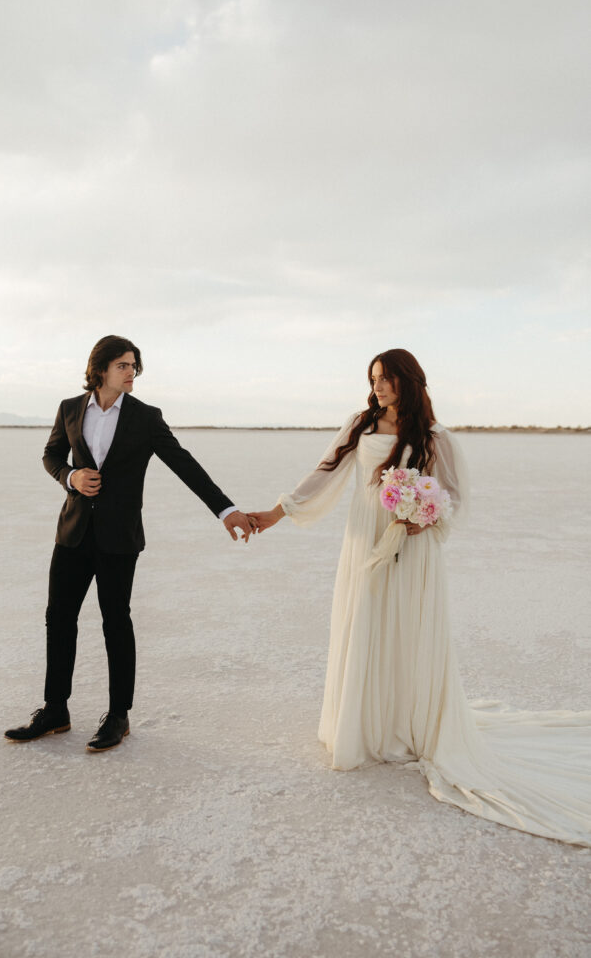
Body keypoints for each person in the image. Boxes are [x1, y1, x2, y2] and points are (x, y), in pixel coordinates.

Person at [249, 348, 591, 846]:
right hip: (364, 539)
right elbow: (324, 473)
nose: (378, 388)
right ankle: (367, 726)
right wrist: (276, 513)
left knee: (406, 630)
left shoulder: (434, 438)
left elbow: (451, 495)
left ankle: (409, 726)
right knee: (366, 622)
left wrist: (423, 515)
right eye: (374, 380)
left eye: (386, 379)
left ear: (408, 382)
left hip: (412, 547)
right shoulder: (359, 425)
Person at [5, 335, 255, 753]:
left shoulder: (145, 417)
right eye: (123, 364)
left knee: (115, 622)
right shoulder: (70, 408)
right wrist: (71, 477)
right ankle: (55, 710)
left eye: (134, 366)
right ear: (101, 368)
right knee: (59, 619)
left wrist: (225, 509)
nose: (131, 372)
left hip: (119, 538)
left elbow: (184, 464)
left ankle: (118, 715)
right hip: (73, 532)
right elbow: (51, 455)